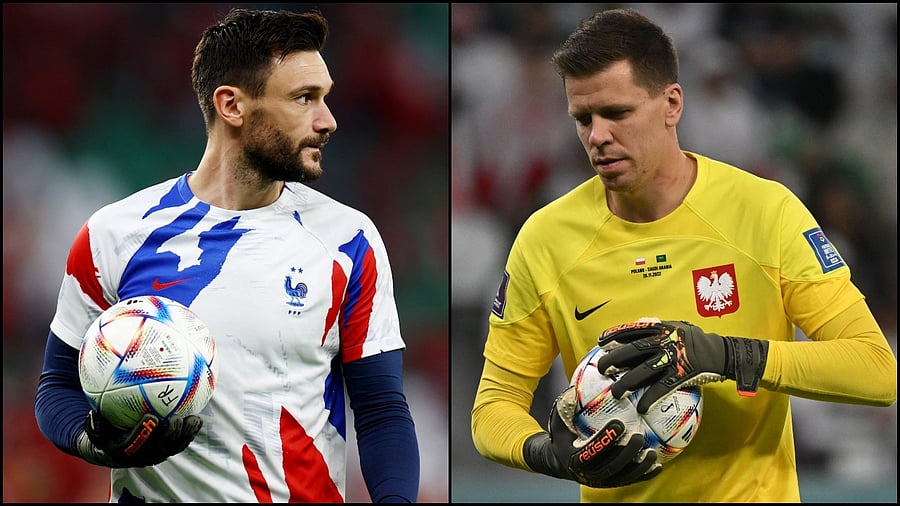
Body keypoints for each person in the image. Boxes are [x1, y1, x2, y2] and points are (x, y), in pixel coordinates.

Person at [470, 7, 896, 502]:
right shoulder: (545, 240)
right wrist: (548, 453)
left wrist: (726, 356)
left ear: (672, 104)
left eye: (617, 113)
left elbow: (876, 370)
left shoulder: (765, 212)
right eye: (583, 119)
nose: (598, 136)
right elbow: (493, 406)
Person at [34, 8, 420, 503]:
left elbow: (382, 409)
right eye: (305, 99)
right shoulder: (115, 234)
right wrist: (96, 443)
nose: (328, 121)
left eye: (325, 97)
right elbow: (56, 387)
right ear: (232, 105)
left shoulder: (348, 240)